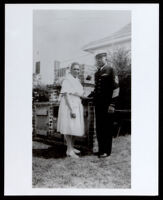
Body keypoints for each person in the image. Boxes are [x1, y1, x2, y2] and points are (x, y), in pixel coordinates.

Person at [89, 51, 120, 158]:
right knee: (99, 128)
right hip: (99, 105)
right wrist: (89, 96)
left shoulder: (111, 70)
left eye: (100, 58)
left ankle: (107, 151)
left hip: (107, 105)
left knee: (106, 128)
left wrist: (112, 104)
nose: (98, 61)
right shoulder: (97, 73)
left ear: (105, 58)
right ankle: (101, 150)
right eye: (97, 59)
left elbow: (116, 88)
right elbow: (97, 89)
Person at [57, 62, 86, 158]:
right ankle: (69, 150)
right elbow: (66, 95)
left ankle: (71, 148)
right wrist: (71, 109)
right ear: (70, 70)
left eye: (78, 69)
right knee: (69, 127)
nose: (77, 71)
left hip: (77, 103)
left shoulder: (77, 80)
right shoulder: (67, 80)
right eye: (75, 69)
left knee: (75, 128)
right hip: (69, 105)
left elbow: (80, 93)